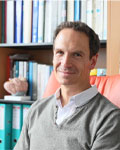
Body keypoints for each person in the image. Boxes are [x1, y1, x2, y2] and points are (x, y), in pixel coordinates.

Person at [14, 21, 120, 150]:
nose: (65, 63)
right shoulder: (36, 110)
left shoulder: (110, 119)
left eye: (76, 54)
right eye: (60, 52)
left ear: (92, 62)